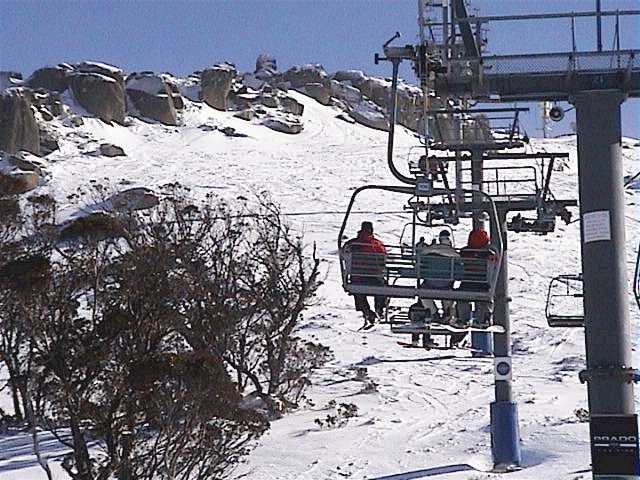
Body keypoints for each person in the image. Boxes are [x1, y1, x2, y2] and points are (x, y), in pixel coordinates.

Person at [455, 228, 498, 338]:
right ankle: (484, 317)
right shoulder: (488, 253)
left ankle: (463, 318)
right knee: (485, 299)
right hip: (483, 285)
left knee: (462, 298)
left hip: (467, 283)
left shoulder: (465, 252)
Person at [343, 221, 387, 323]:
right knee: (382, 287)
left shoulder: (353, 244)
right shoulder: (377, 244)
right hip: (375, 278)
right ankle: (379, 307)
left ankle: (366, 310)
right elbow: (383, 259)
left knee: (357, 290)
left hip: (358, 278)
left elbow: (344, 252)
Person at [418, 229, 460, 323]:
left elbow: (420, 265)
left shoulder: (430, 251)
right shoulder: (454, 254)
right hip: (446, 285)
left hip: (430, 284)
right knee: (448, 293)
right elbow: (459, 273)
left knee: (423, 293)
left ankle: (433, 312)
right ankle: (448, 311)